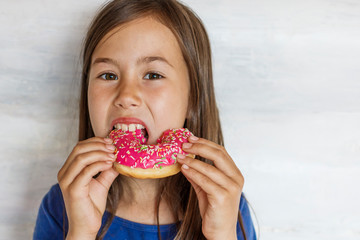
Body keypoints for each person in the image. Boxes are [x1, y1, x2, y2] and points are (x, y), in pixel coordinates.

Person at [33, 0, 257, 239]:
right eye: (108, 75)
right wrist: (81, 231)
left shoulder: (224, 203)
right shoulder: (63, 204)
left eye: (153, 75)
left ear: (192, 96)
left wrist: (222, 234)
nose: (127, 96)